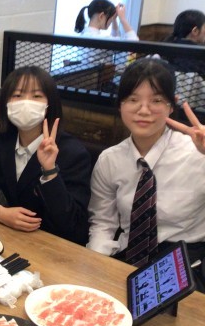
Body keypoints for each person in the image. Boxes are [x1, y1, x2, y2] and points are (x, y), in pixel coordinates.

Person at [87, 57, 205, 286]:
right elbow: (103, 223)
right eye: (133, 99)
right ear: (120, 105)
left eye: (156, 100)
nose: (143, 110)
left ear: (171, 105)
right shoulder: (110, 160)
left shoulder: (197, 154)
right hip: (127, 261)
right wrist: (95, 267)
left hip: (187, 268)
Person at [0, 66, 92, 245]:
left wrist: (49, 171)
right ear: (6, 103)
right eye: (17, 95)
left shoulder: (73, 152)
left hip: (56, 246)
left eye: (37, 96)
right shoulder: (3, 138)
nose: (26, 102)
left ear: (49, 104)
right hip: (14, 237)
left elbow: (73, 226)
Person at [74, 0, 139, 40]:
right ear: (101, 16)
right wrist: (122, 19)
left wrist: (114, 20)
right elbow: (134, 44)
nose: (110, 22)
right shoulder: (100, 39)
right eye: (110, 18)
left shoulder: (84, 34)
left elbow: (115, 38)